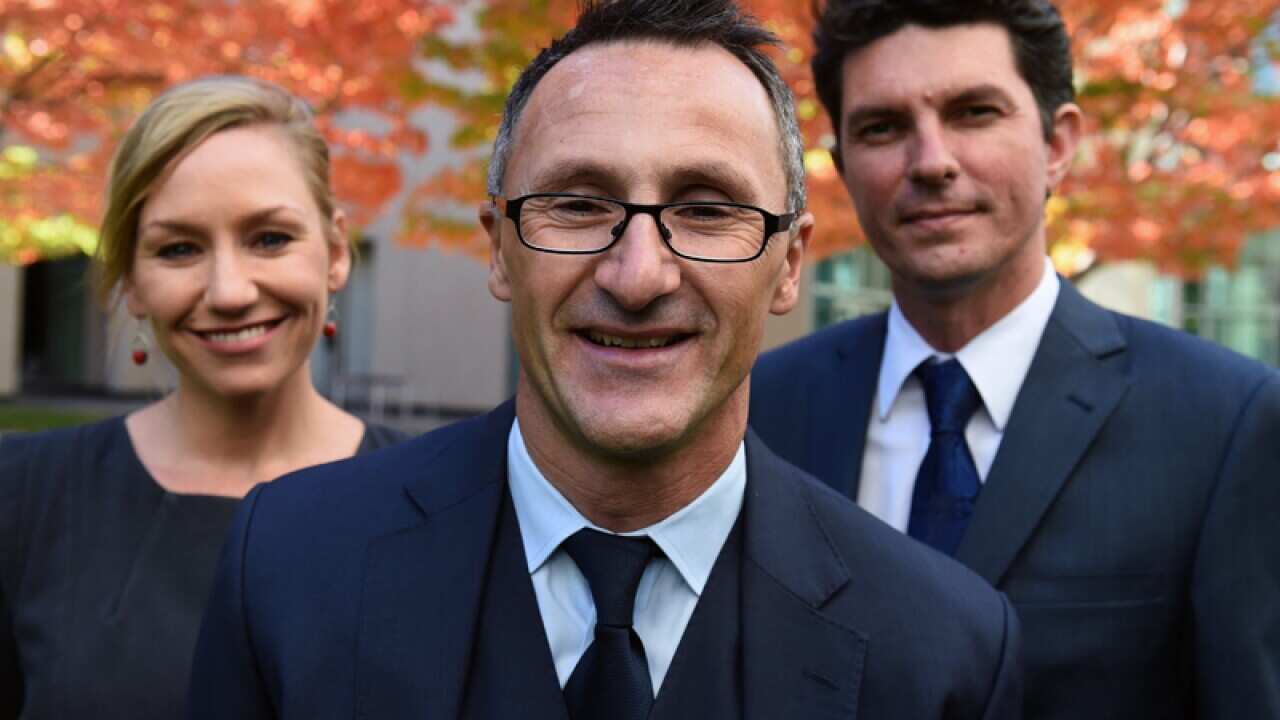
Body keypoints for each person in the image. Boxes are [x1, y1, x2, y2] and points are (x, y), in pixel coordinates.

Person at [187, 1, 1023, 717]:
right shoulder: (290, 568)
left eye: (706, 209)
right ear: (499, 248)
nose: (638, 276)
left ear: (790, 264)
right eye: (578, 204)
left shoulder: (943, 652)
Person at [749, 1, 1280, 718]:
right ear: (841, 166)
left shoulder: (1224, 424)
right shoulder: (762, 410)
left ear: (1057, 143)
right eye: (883, 128)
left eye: (974, 113)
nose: (931, 162)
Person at [0, 76, 408, 719]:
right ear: (132, 281)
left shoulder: (446, 508)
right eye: (180, 249)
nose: (229, 292)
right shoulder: (23, 498)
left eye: (269, 239)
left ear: (334, 252)